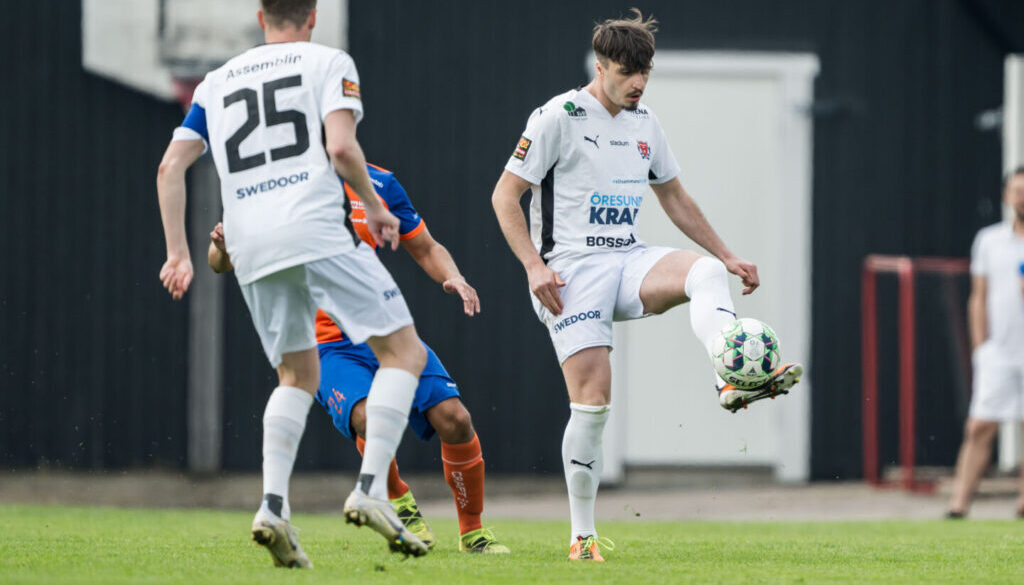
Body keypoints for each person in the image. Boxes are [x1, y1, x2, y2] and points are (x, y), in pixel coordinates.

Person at [490, 10, 803, 561]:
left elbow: (674, 197)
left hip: (629, 259)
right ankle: (582, 535)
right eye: (627, 72)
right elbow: (504, 196)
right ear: (601, 66)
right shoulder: (558, 116)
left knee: (705, 273)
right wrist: (534, 267)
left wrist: (727, 254)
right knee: (593, 405)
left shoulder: (645, 124)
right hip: (570, 272)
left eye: (645, 72)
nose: (638, 83)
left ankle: (730, 377)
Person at [156, 0, 429, 566]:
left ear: (261, 17)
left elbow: (170, 167)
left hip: (249, 242)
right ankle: (371, 489)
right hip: (313, 227)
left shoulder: (215, 81)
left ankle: (273, 507)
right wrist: (376, 206)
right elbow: (341, 148)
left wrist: (178, 253)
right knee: (404, 352)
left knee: (296, 375)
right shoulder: (329, 62)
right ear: (313, 15)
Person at [207, 162, 510, 553]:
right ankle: (398, 503)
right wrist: (221, 246)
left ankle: (473, 533)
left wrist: (454, 277)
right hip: (327, 345)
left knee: (455, 418)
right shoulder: (280, 180)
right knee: (367, 416)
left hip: (382, 328)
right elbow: (219, 262)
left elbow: (426, 247)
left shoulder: (379, 182)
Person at [947, 166, 1024, 519]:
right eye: (1017, 191)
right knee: (980, 425)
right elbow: (978, 296)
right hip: (999, 350)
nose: (1021, 198)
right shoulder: (989, 241)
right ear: (1006, 196)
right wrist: (981, 347)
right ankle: (959, 504)